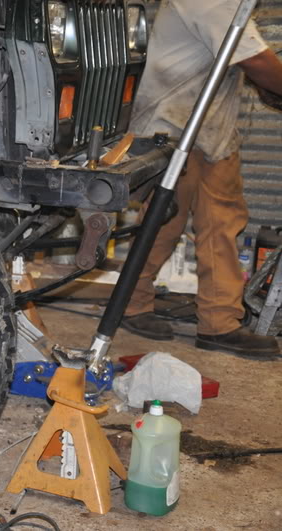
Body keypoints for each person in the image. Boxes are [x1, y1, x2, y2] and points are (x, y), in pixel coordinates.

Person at [120, 0, 282, 359]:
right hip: (175, 126)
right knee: (164, 222)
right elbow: (254, 59)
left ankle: (219, 324)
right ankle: (131, 305)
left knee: (223, 224)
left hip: (212, 128)